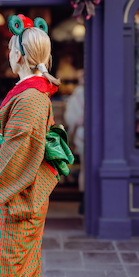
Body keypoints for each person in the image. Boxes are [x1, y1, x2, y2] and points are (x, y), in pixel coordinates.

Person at [0, 14, 60, 276]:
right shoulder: (33, 93)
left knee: (6, 268)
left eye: (10, 49)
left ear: (19, 56)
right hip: (17, 196)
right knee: (23, 268)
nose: (9, 54)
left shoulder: (30, 97)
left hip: (14, 203)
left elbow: (14, 155)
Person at [64, 69, 84, 213]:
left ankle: (84, 201)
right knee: (86, 168)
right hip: (86, 134)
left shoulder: (75, 96)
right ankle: (85, 200)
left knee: (85, 168)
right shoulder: (79, 95)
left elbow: (69, 117)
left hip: (82, 134)